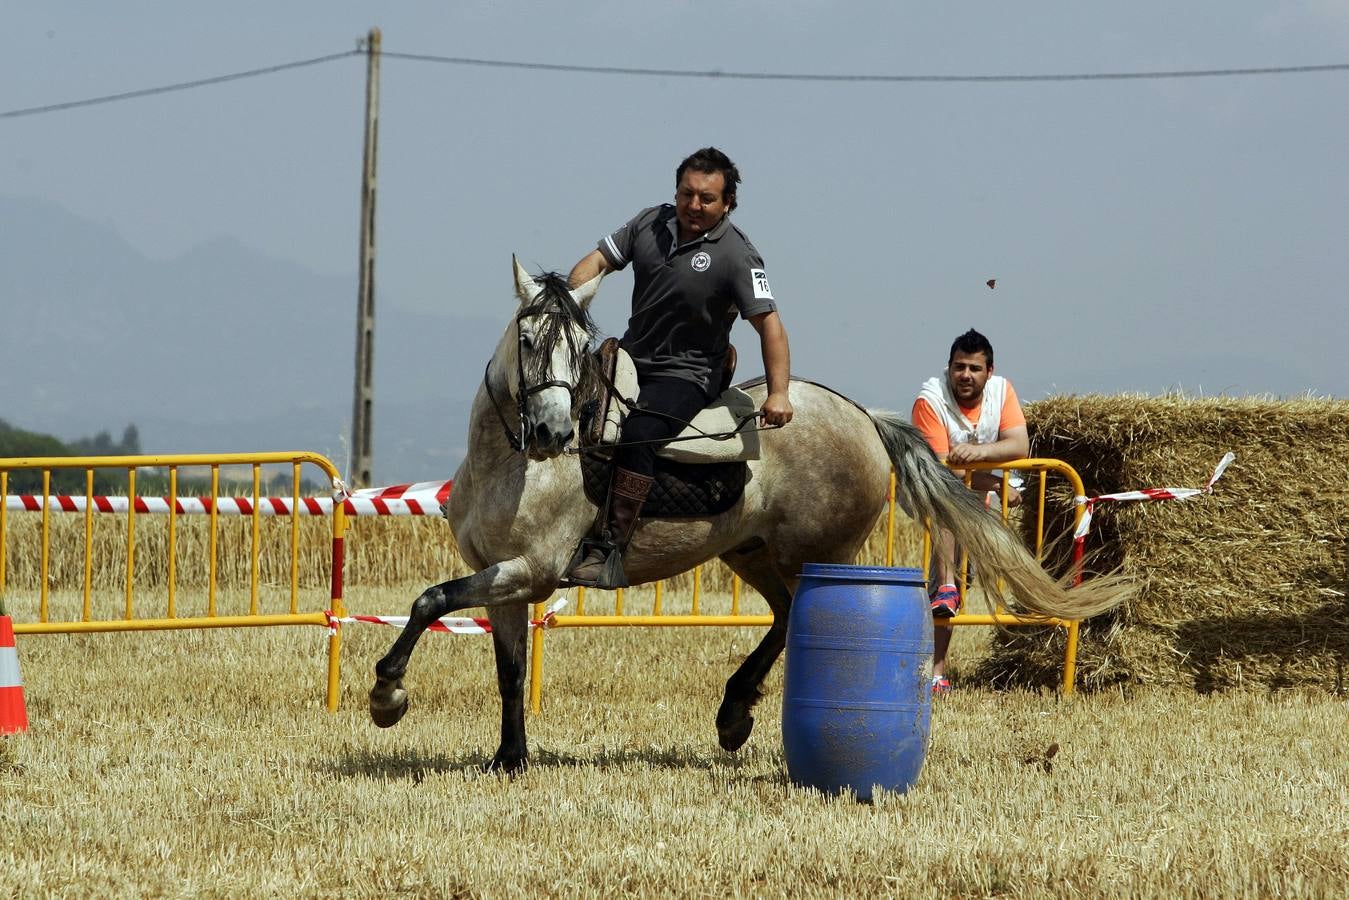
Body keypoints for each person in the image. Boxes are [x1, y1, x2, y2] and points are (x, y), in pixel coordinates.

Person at [565, 147, 793, 587]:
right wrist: (566, 301)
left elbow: (770, 325)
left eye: (707, 199)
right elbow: (596, 262)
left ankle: (609, 548)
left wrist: (779, 392)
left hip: (689, 374)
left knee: (639, 434)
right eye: (687, 194)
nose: (694, 205)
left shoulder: (738, 255)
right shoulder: (648, 222)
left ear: (727, 203)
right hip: (631, 358)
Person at [911, 328, 1028, 694]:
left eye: (974, 368)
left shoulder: (1002, 392)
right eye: (959, 367)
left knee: (964, 578)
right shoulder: (929, 401)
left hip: (975, 501)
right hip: (932, 495)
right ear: (948, 368)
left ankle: (936, 668)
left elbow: (1019, 445)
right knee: (945, 576)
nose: (966, 375)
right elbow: (944, 471)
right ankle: (933, 670)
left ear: (988, 371)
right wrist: (995, 481)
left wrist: (978, 457)